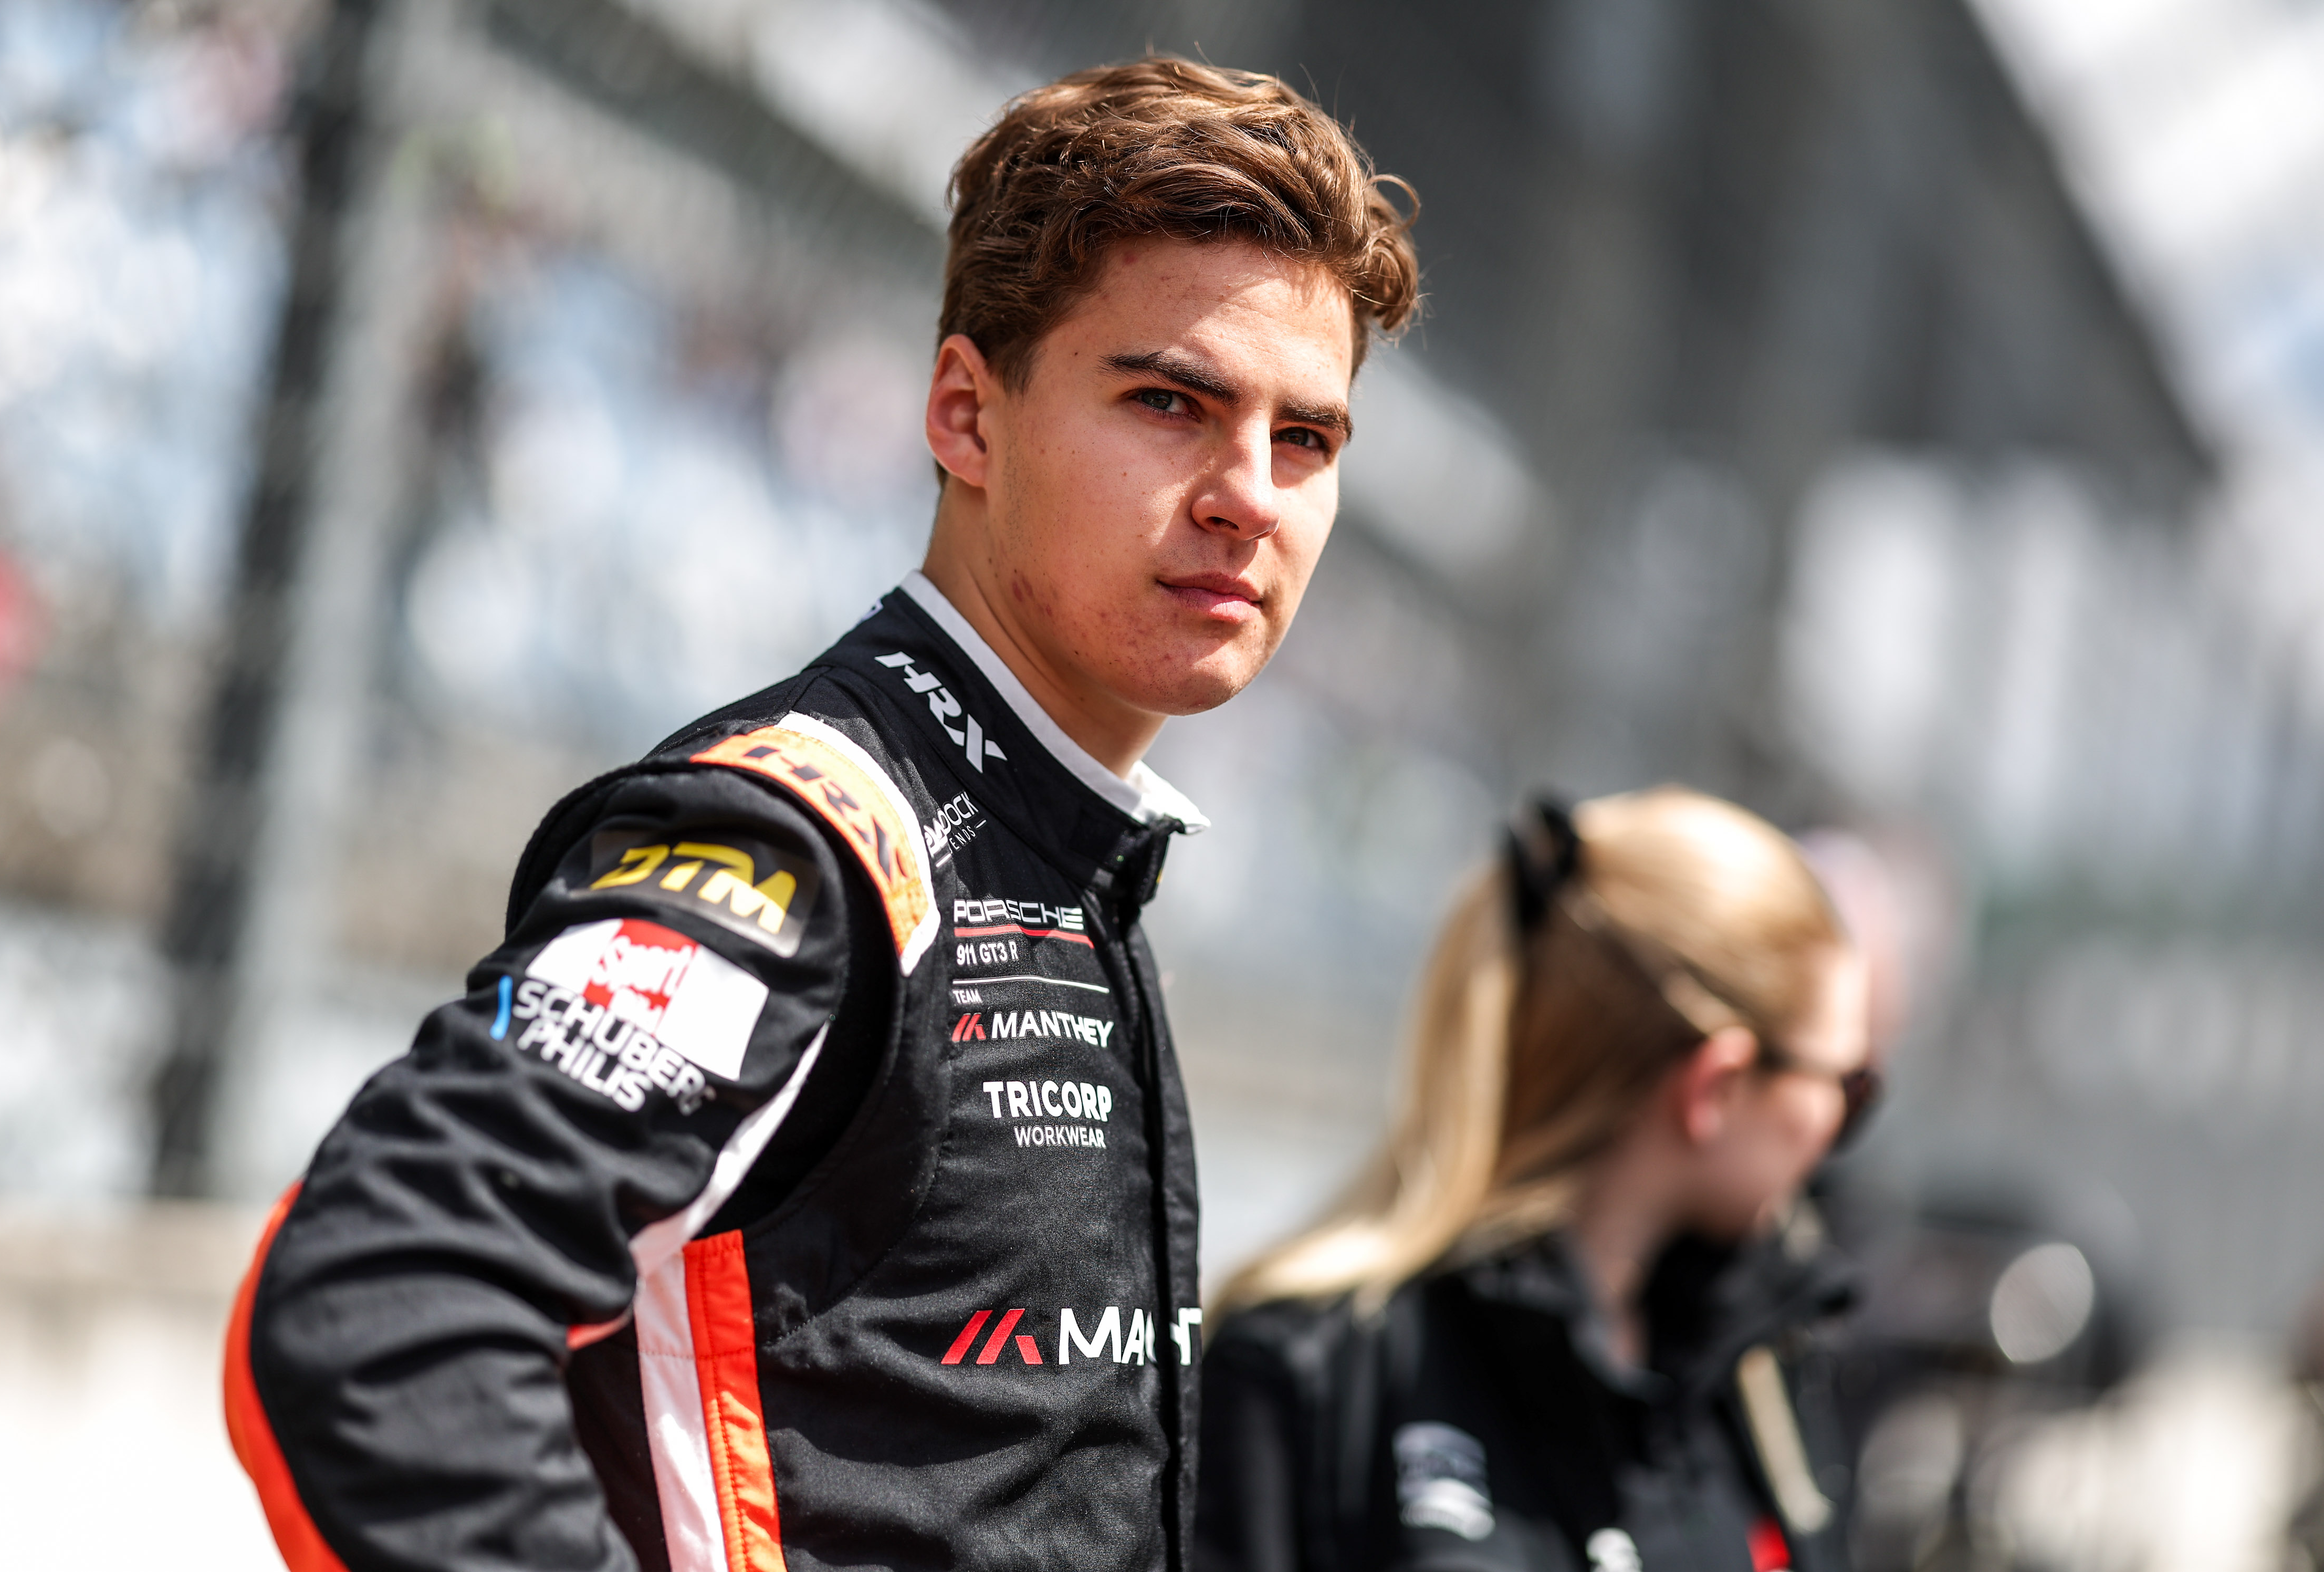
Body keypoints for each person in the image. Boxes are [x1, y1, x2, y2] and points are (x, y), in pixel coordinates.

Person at [224, 58, 1417, 1572]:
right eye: (1170, 402)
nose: (1248, 493)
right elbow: (376, 1303)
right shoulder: (814, 841)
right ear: (966, 415)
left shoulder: (1066, 850)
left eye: (1305, 439)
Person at [1198, 789, 1879, 1572]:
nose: (1839, 1127)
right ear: (1716, 1088)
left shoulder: (1758, 1375)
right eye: (1850, 1085)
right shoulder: (1311, 1369)